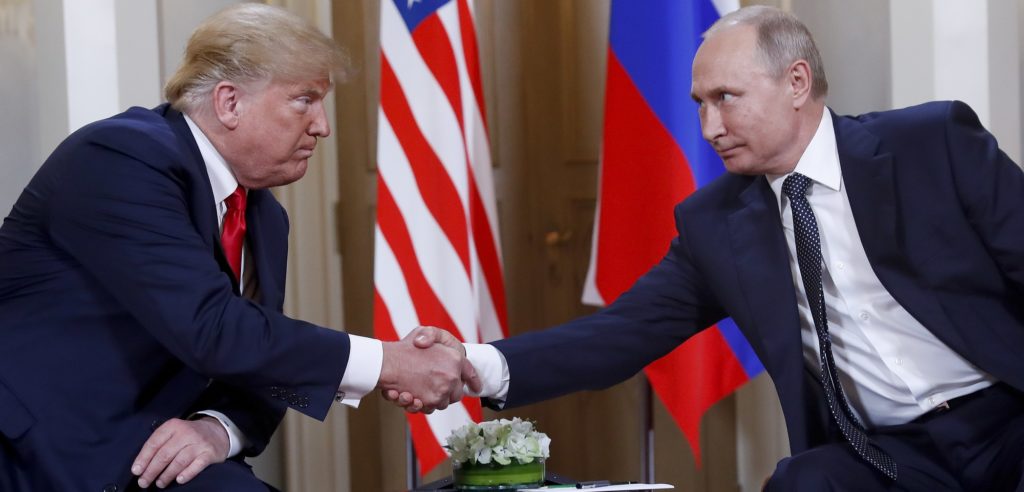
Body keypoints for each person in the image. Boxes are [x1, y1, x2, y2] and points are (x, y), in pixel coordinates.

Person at [396, 5, 1024, 491]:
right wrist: (475, 365)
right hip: (890, 454)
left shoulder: (930, 144)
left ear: (797, 82)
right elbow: (623, 333)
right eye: (699, 104)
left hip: (1007, 419)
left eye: (726, 99)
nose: (709, 129)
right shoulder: (717, 222)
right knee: (803, 480)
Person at [0, 4, 476, 491]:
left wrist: (217, 429)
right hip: (39, 449)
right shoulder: (121, 158)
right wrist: (388, 362)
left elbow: (261, 359)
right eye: (304, 100)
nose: (322, 126)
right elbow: (213, 328)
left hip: (156, 451)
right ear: (229, 102)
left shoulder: (264, 215)